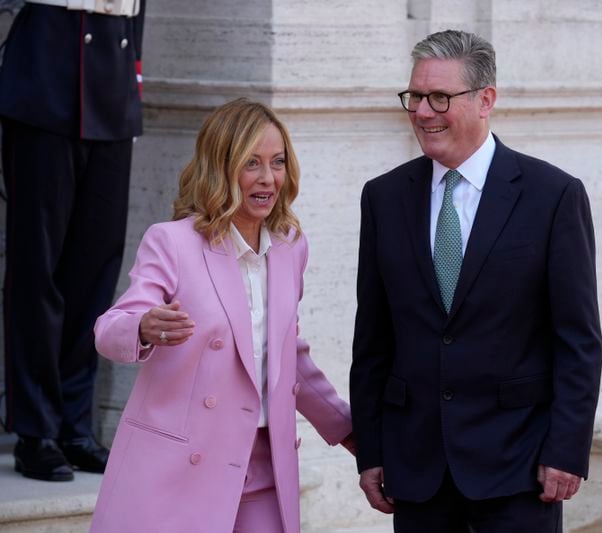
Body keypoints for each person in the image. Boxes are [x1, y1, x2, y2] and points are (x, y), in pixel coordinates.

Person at [350, 30, 602, 531]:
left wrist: (567, 449)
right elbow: (373, 339)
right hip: (416, 469)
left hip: (521, 467)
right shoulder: (383, 197)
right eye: (415, 97)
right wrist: (372, 450)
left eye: (440, 97)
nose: (423, 112)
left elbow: (578, 339)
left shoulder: (552, 196)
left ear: (486, 99)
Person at [89, 98, 354, 533]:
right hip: (182, 467)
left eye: (278, 162)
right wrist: (143, 326)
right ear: (221, 168)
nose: (268, 178)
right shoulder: (172, 242)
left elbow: (287, 358)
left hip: (266, 467)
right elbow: (111, 326)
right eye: (252, 163)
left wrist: (346, 429)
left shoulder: (290, 247)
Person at [0, 0, 146, 481]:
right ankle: (35, 429)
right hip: (45, 69)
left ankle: (73, 426)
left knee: (96, 268)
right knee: (37, 268)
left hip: (115, 73)